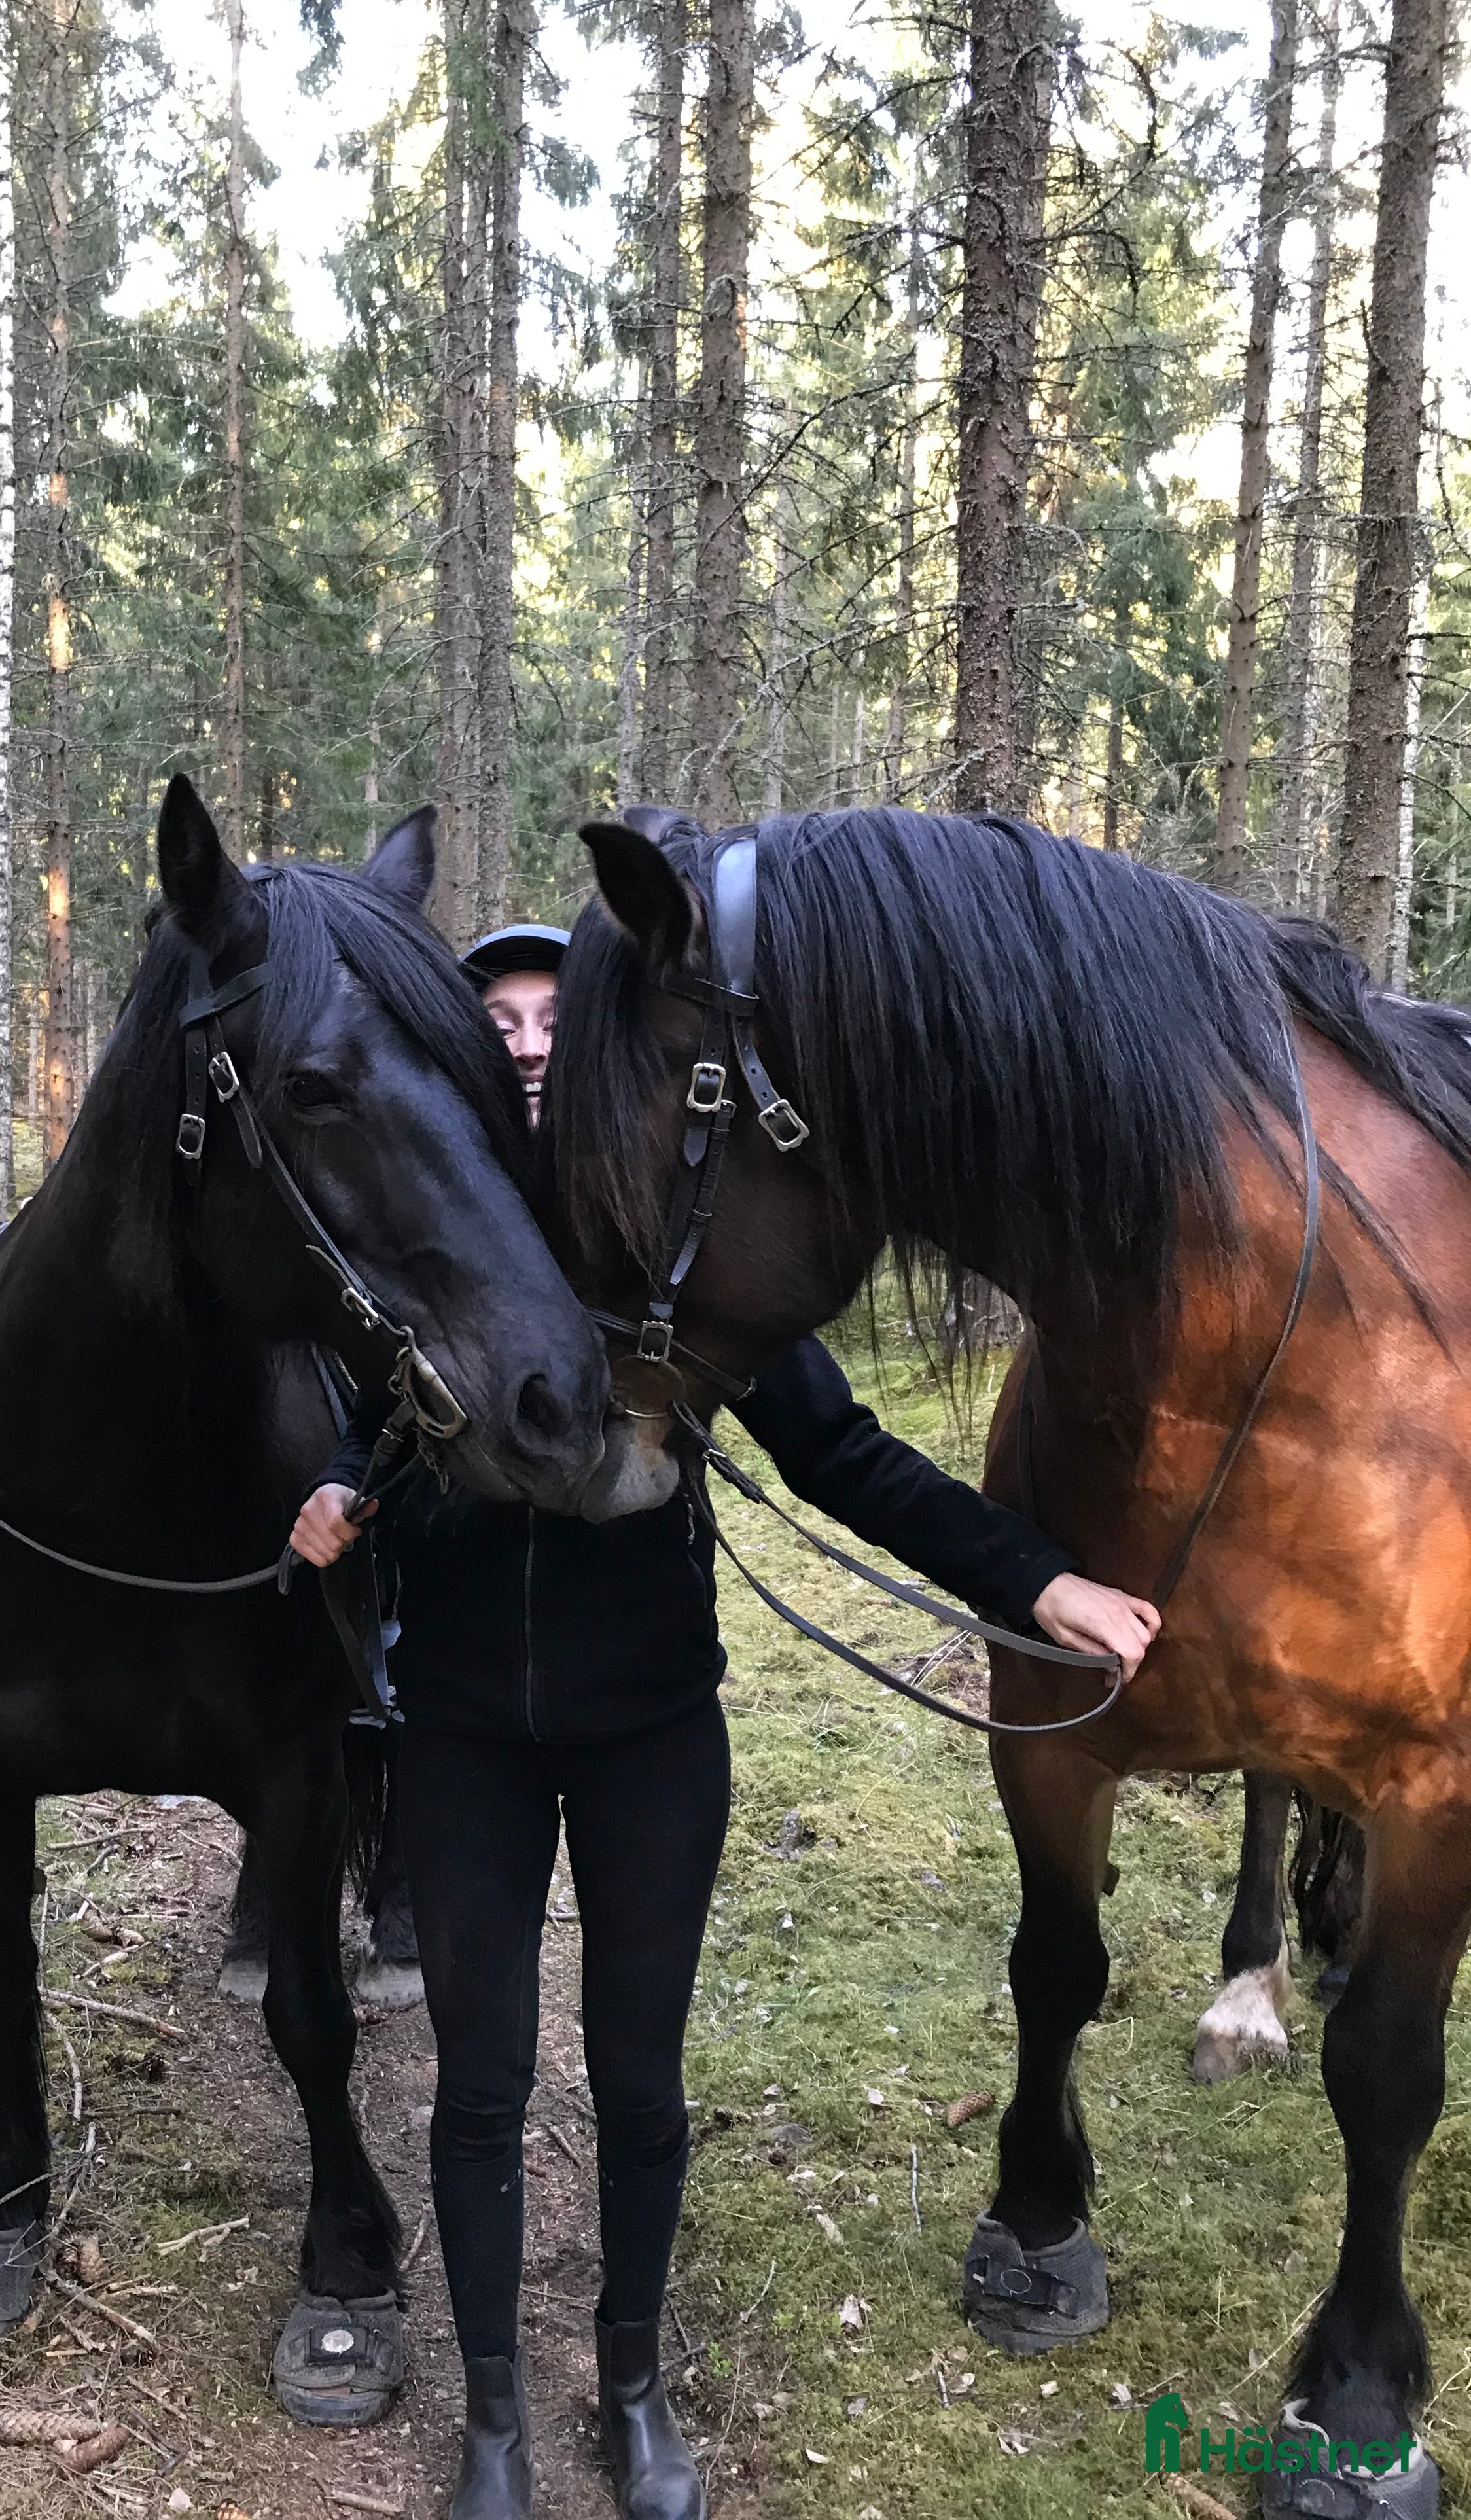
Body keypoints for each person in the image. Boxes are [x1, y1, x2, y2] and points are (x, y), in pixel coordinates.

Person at [291, 926, 1158, 2520]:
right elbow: (362, 1432)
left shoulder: (670, 1243)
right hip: (468, 1736)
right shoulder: (429, 1242)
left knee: (639, 2080)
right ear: (472, 1052)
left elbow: (849, 1456)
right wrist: (341, 1497)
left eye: (558, 1009)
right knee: (480, 2084)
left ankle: (632, 2393)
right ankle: (495, 2426)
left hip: (652, 1740)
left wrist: (1039, 1587)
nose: (534, 1037)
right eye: (503, 1016)